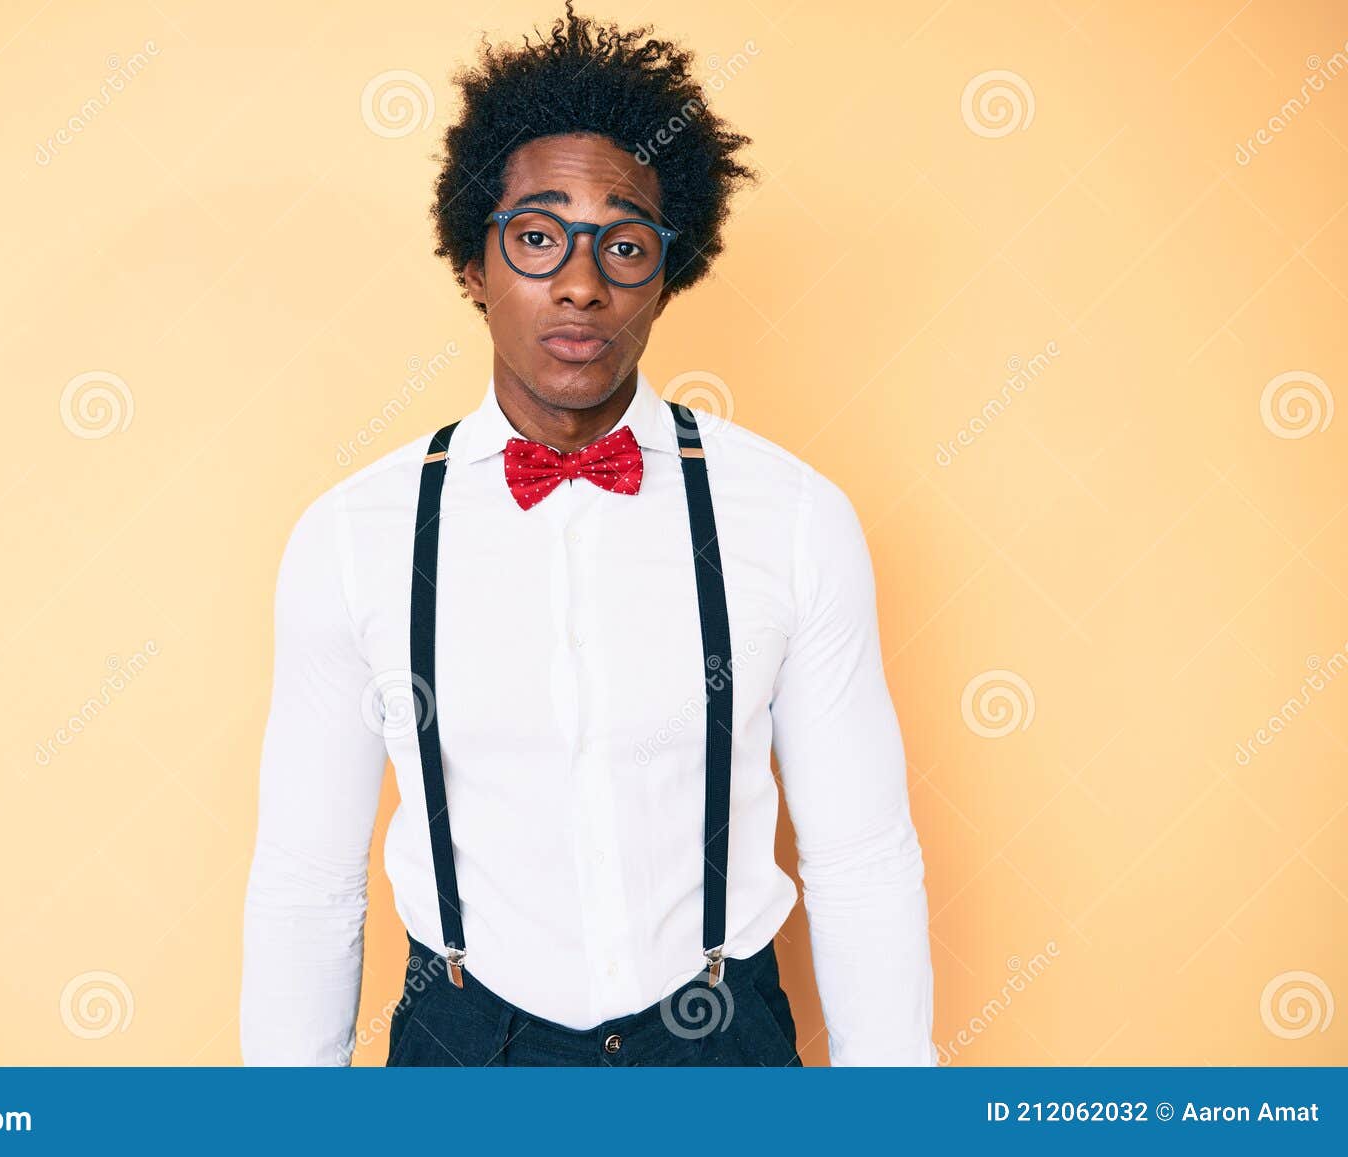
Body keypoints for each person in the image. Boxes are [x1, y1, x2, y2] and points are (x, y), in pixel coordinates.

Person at [240, 0, 934, 1067]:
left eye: (622, 243)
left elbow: (860, 857)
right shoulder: (353, 537)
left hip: (720, 1044)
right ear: (472, 265)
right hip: (464, 1048)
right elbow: (307, 876)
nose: (579, 281)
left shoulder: (793, 519)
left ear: (669, 271)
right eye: (535, 236)